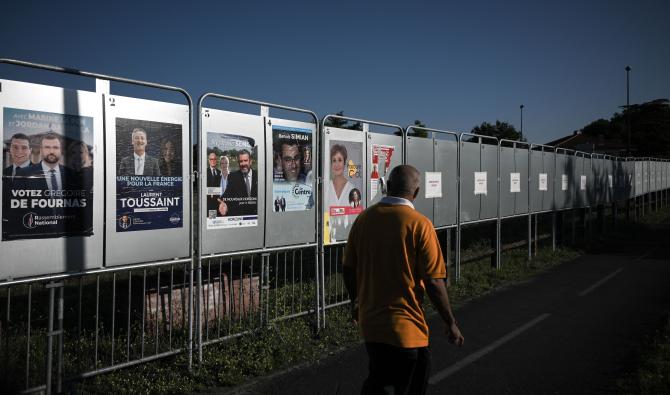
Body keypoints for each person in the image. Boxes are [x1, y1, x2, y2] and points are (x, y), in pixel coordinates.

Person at [343, 165, 464, 395]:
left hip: (372, 326)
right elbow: (434, 282)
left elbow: (348, 268)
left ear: (387, 187)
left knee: (378, 380)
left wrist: (355, 302)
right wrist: (450, 322)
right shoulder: (420, 225)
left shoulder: (364, 220)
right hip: (407, 330)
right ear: (416, 193)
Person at [218, 149, 257, 216]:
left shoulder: (259, 175)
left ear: (250, 161)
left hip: (257, 218)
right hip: (240, 217)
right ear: (238, 163)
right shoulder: (233, 176)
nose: (243, 164)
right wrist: (222, 203)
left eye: (245, 160)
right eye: (241, 161)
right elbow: (226, 195)